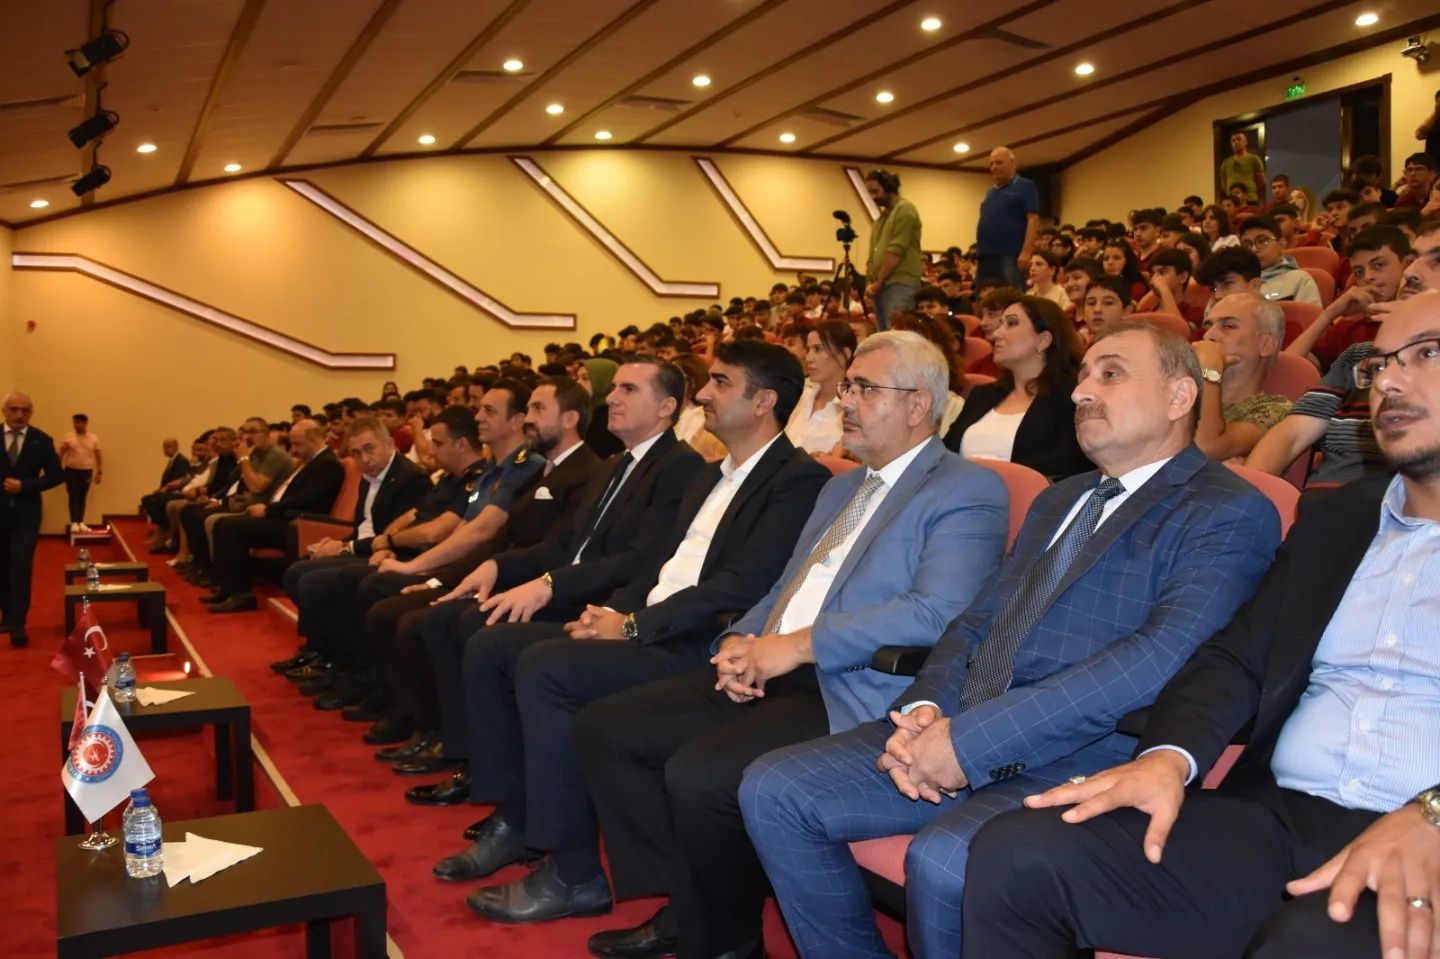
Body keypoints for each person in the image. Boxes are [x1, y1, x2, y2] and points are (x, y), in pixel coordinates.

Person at [741, 320, 1281, 959]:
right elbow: (977, 620)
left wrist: (969, 744)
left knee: (949, 862)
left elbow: (1158, 659)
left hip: (1089, 746)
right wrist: (927, 709)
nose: (1081, 391)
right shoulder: (1062, 499)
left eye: (1111, 374)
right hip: (964, 721)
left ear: (1179, 397)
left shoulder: (1226, 508)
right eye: (1083, 376)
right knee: (774, 790)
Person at [961, 289, 1440, 959]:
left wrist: (1431, 812)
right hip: (1282, 816)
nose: (1387, 379)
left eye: (1427, 353)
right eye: (1380, 362)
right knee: (1018, 854)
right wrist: (1168, 756)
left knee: (1312, 938)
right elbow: (1235, 659)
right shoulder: (1337, 518)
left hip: (1423, 837)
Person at [577, 332, 1009, 959]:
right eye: (848, 386)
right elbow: (787, 585)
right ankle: (692, 902)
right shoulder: (841, 487)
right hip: (777, 661)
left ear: (918, 404)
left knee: (700, 773)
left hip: (848, 683)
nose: (846, 401)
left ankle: (721, 940)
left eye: (865, 389)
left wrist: (798, 647)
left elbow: (936, 612)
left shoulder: (966, 488)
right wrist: (739, 640)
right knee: (609, 728)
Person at [450, 343, 831, 923]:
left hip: (701, 642)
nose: (703, 394)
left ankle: (573, 871)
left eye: (720, 383)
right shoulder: (710, 475)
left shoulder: (796, 478)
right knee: (501, 643)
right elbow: (657, 567)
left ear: (764, 401)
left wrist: (632, 625)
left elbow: (744, 583)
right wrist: (608, 613)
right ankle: (521, 818)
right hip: (656, 627)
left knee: (546, 668)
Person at [203, 420, 346, 612]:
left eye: (297, 444)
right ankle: (229, 588)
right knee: (223, 523)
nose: (293, 450)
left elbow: (306, 500)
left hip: (300, 522)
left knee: (232, 527)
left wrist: (268, 510)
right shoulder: (310, 462)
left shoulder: (327, 464)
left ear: (313, 439)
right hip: (285, 517)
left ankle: (241, 595)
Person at [943, 295, 1092, 479]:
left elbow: (1073, 464)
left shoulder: (1072, 397)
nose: (997, 334)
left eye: (1011, 323)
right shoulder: (983, 394)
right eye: (1000, 324)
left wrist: (996, 471)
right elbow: (944, 453)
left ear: (1043, 340)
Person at [1286, 226, 1412, 371]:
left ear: (1407, 264)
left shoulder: (1426, 320)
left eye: (1378, 265)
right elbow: (1289, 369)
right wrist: (1329, 314)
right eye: (1359, 272)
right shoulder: (1348, 330)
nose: (1367, 277)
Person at [1192, 293, 1292, 460]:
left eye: (1228, 326)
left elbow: (1204, 447)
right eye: (1208, 326)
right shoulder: (1184, 393)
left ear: (1265, 345)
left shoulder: (1276, 409)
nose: (1208, 335)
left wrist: (1209, 366)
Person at [0, 392, 63, 647]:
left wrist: (25, 485)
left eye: (25, 410)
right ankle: (6, 616)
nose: (19, 415)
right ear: (4, 411)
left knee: (21, 565)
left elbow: (56, 476)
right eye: (14, 409)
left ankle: (18, 622)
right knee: (3, 564)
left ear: (31, 412)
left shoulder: (41, 440)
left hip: (27, 513)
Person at [863, 170, 923, 330]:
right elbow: (873, 254)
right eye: (870, 192)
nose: (873, 197)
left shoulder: (905, 209)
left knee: (898, 333)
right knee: (884, 335)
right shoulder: (881, 219)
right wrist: (870, 282)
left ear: (889, 187)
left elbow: (896, 250)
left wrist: (879, 281)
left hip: (900, 283)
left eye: (875, 191)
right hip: (880, 285)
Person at [785, 321, 855, 457]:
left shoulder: (855, 408)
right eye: (808, 350)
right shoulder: (802, 396)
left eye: (818, 349)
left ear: (844, 355)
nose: (809, 358)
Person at [976, 146, 1040, 289]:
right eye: (991, 164)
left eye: (999, 162)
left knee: (1012, 295)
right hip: (985, 255)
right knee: (985, 297)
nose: (994, 167)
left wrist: (1026, 252)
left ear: (1012, 163)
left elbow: (1033, 219)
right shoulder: (990, 192)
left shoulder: (1025, 186)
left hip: (1010, 254)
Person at [1238, 216, 1322, 306]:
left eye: (1262, 241)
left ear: (1281, 243)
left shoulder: (1299, 279)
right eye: (1247, 245)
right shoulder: (1237, 282)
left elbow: (1309, 314)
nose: (1254, 249)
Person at [59, 413, 102, 532]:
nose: (76, 425)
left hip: (86, 471)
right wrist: (58, 468)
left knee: (83, 496)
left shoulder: (93, 438)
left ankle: (81, 521)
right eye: (75, 422)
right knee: (73, 495)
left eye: (79, 422)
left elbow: (98, 455)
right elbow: (61, 452)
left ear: (85, 423)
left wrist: (99, 472)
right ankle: (74, 522)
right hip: (71, 471)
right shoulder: (68, 436)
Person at [1221, 132, 1266, 205]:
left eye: (1238, 139)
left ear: (1245, 142)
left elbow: (1261, 181)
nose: (1236, 142)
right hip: (1231, 201)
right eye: (1233, 140)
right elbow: (1223, 185)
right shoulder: (1226, 162)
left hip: (1250, 199)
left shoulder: (1254, 159)